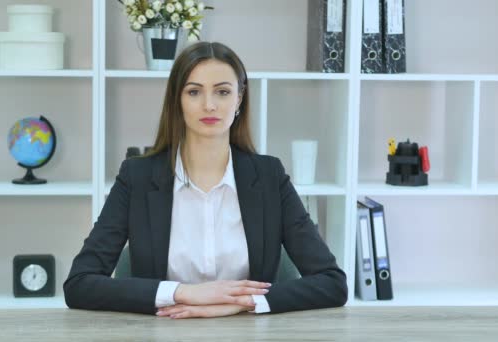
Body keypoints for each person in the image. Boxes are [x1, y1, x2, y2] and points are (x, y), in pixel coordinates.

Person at [64, 41, 347, 319]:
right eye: (194, 92)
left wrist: (245, 302)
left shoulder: (269, 177)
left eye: (223, 92)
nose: (209, 105)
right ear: (178, 100)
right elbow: (79, 284)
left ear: (238, 99)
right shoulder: (136, 178)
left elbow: (332, 283)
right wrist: (182, 293)